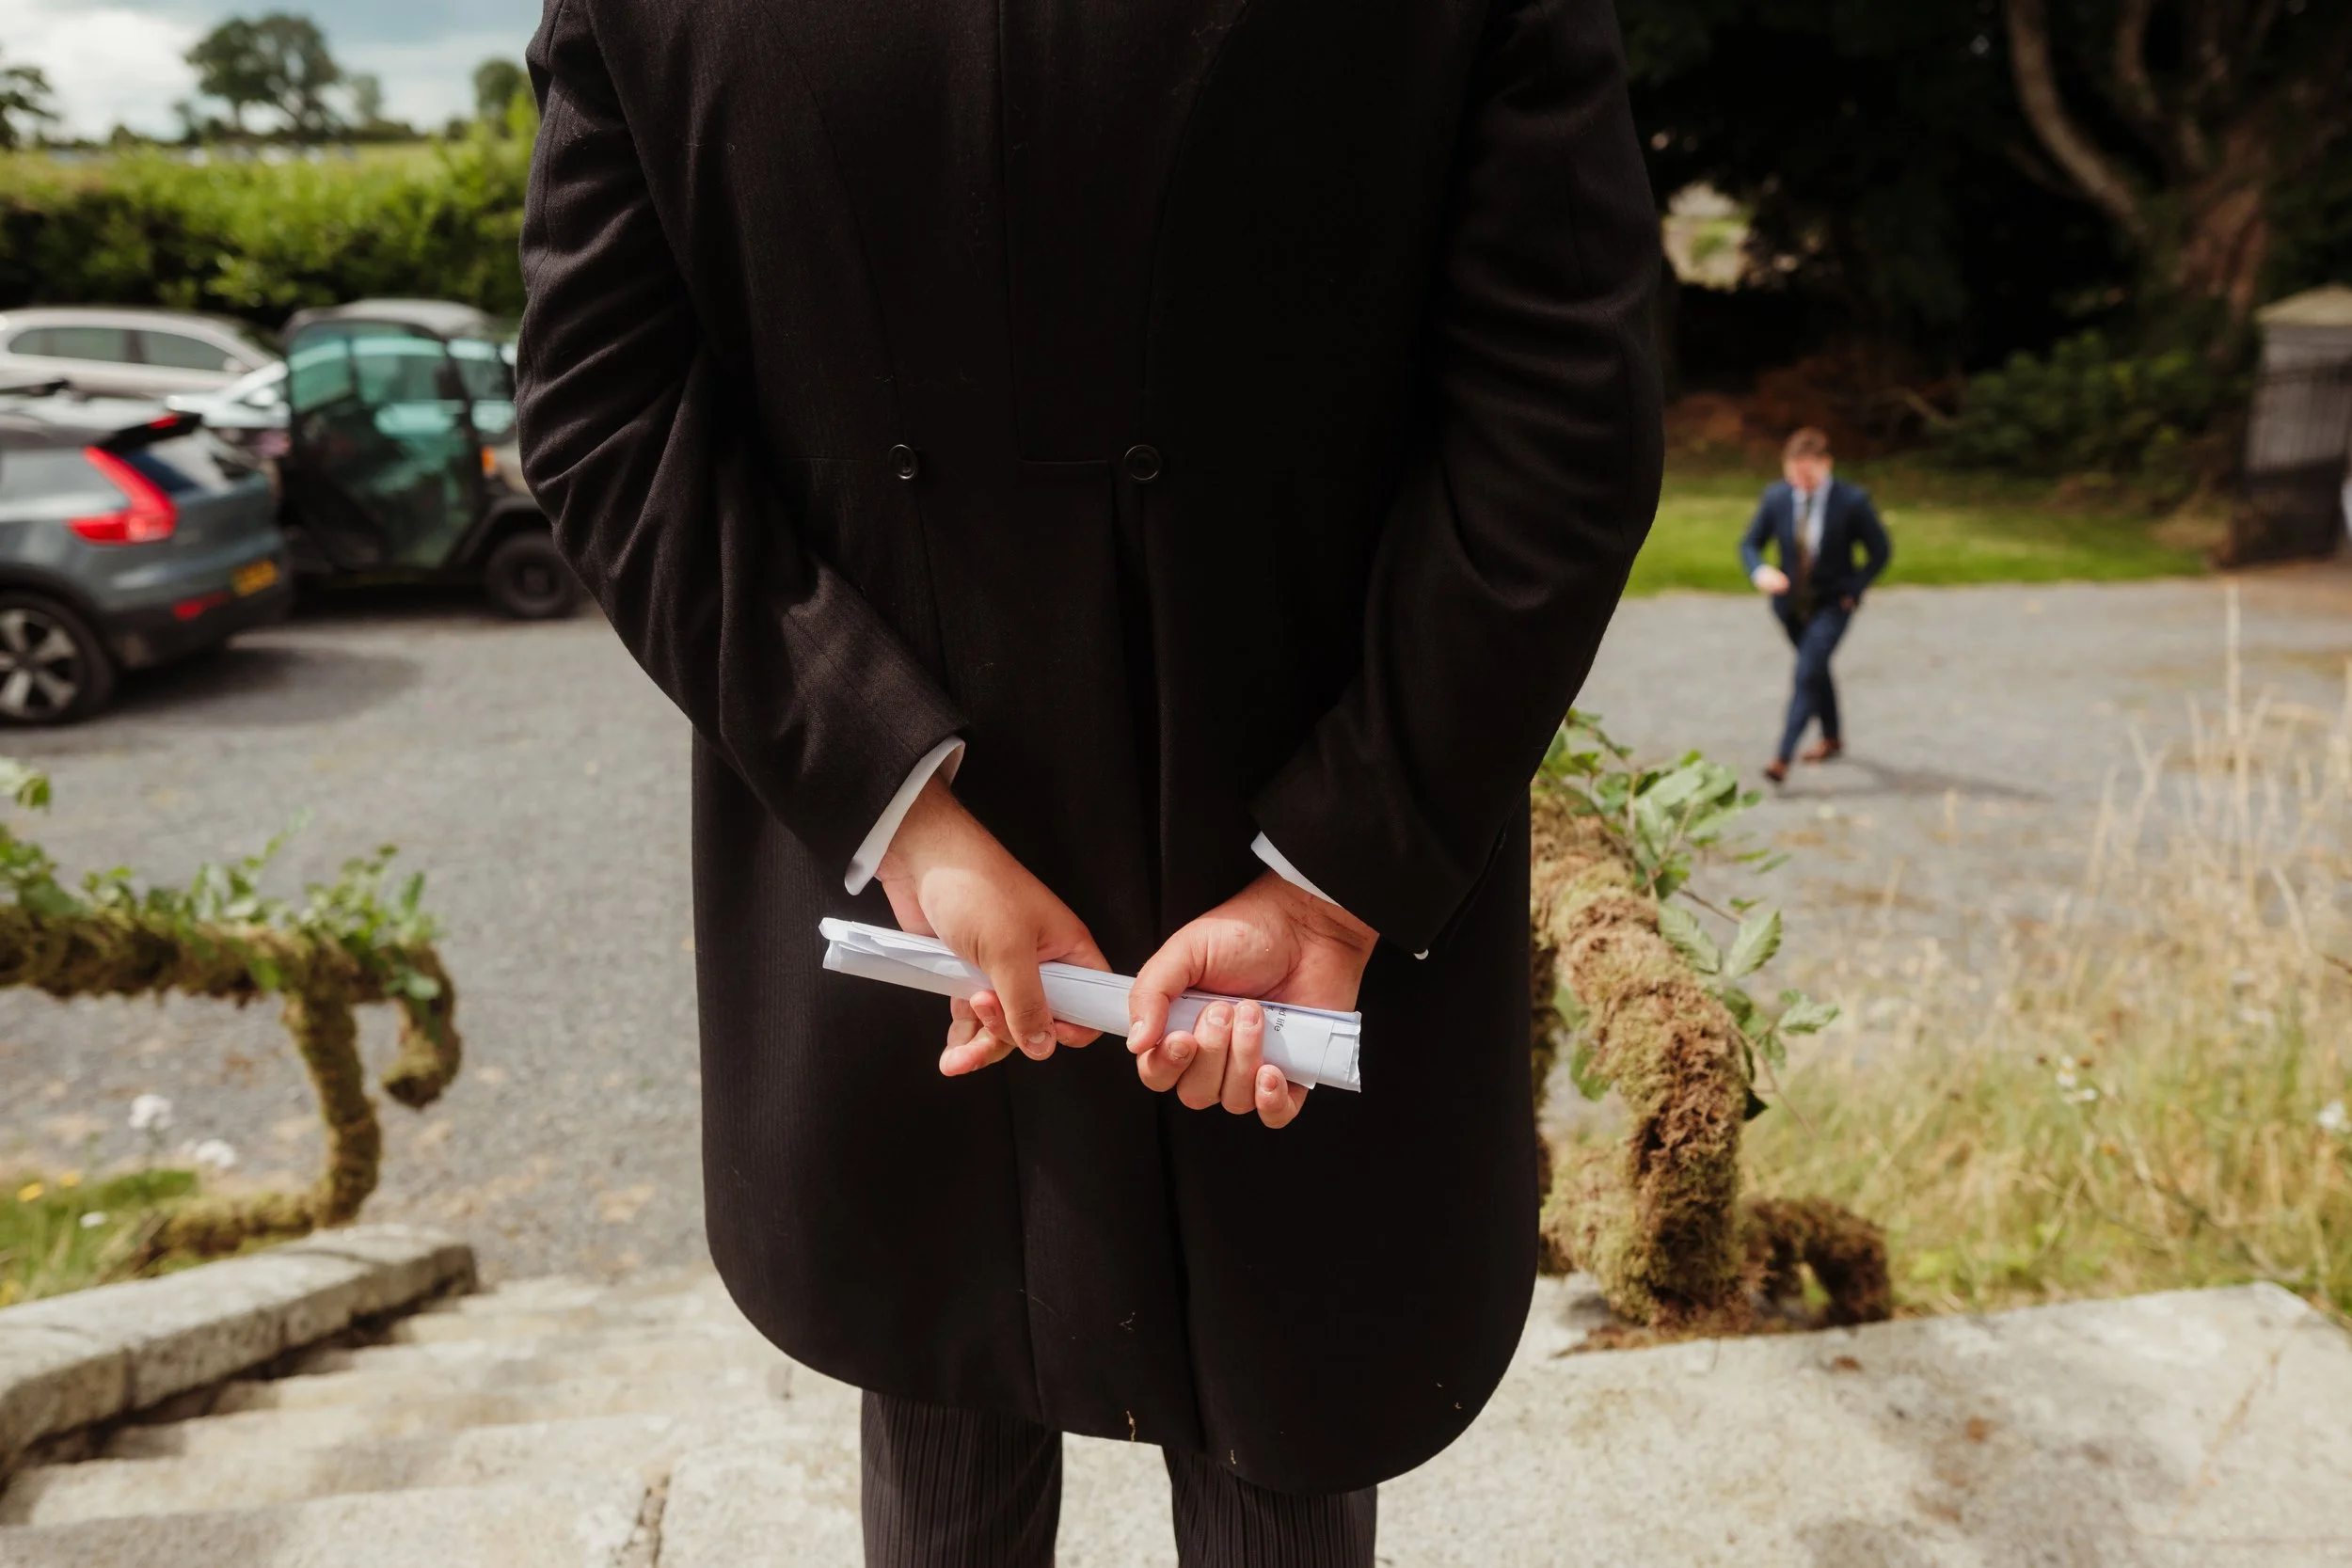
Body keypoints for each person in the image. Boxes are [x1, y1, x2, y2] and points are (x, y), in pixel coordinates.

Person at [515, 0, 1661, 1561]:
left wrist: (897, 804)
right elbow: (1563, 426)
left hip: (915, 909)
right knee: (1281, 1418)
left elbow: (602, 419)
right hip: (1287, 867)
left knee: (944, 1400)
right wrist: (1337, 858)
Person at [1739, 428, 1891, 784]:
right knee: (1816, 667)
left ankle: (1782, 757)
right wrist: (1760, 571)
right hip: (1789, 605)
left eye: (1807, 474)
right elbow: (1749, 544)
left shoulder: (1852, 502)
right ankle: (1833, 737)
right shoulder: (1776, 498)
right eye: (1794, 475)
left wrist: (1855, 586)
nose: (1800, 482)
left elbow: (1880, 552)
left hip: (1833, 604)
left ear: (1826, 465)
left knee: (1807, 672)